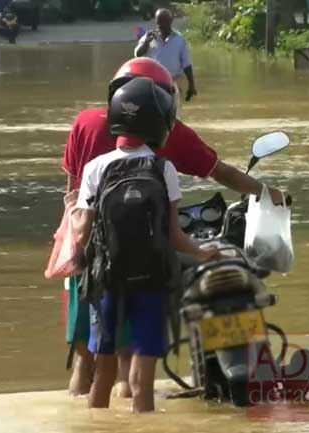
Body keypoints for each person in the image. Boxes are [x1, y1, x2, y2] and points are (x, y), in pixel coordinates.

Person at [61, 57, 287, 398]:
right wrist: (271, 194)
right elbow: (218, 175)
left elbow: (71, 196)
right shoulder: (168, 144)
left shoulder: (86, 125)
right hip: (147, 266)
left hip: (93, 262)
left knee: (86, 359)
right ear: (162, 103)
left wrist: (78, 230)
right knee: (134, 369)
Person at [71, 72, 218, 412]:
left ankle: (96, 424)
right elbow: (175, 236)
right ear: (158, 122)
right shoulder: (163, 168)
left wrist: (73, 209)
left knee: (104, 369)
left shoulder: (96, 168)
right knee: (143, 379)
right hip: (152, 280)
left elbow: (81, 232)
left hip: (108, 279)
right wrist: (203, 253)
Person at [134, 9, 197, 102]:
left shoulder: (179, 40)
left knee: (174, 113)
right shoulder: (148, 37)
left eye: (165, 21)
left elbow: (187, 65)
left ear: (171, 21)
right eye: (159, 22)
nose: (161, 25)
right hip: (153, 85)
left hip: (172, 83)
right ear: (156, 21)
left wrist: (191, 85)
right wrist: (146, 43)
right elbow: (137, 56)